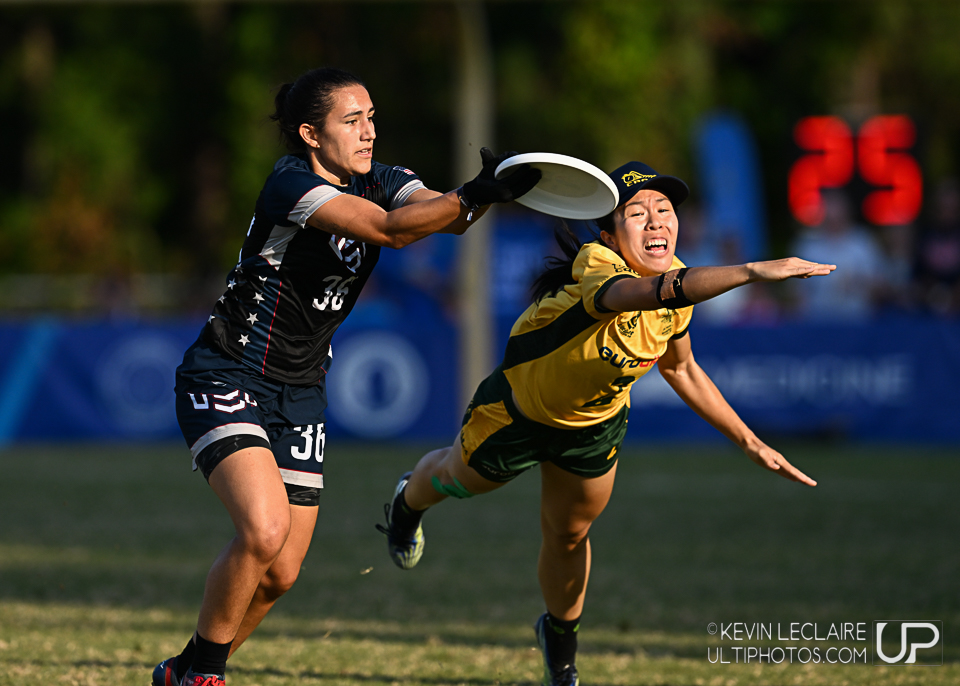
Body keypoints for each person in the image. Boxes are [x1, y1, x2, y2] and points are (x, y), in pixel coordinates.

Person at [376, 161, 835, 686]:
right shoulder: (599, 264)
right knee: (456, 480)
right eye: (637, 213)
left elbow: (680, 367)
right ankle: (406, 503)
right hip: (519, 412)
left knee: (570, 536)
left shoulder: (679, 282)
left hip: (594, 426)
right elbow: (645, 294)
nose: (657, 221)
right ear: (609, 234)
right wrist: (752, 271)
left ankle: (560, 645)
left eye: (665, 210)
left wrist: (751, 442)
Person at [151, 67, 539, 686]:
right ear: (310, 134)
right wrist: (473, 192)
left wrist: (484, 195)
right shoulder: (290, 186)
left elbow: (441, 217)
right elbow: (391, 230)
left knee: (280, 572)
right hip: (228, 371)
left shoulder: (382, 178)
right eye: (351, 120)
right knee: (264, 530)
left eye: (372, 117)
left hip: (302, 391)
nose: (368, 131)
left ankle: (185, 670)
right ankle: (206, 678)